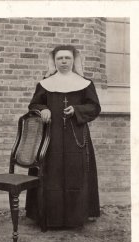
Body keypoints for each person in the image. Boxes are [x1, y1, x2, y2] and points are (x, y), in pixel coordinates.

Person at [25, 45, 101, 228]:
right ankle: (49, 218)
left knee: (76, 172)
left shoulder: (85, 83)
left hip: (77, 137)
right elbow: (34, 104)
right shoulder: (45, 84)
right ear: (54, 61)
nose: (64, 62)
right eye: (60, 59)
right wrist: (43, 109)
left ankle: (76, 218)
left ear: (74, 60)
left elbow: (94, 107)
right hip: (51, 138)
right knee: (51, 173)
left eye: (67, 58)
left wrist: (77, 110)